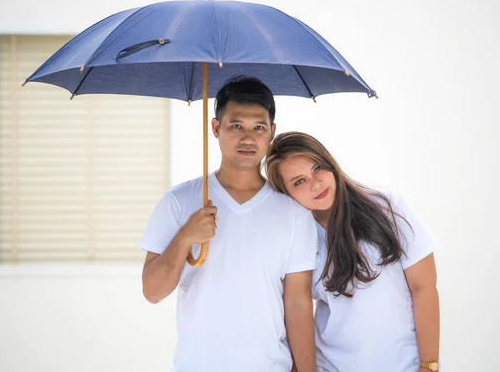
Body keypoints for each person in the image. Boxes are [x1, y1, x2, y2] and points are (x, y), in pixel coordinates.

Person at [139, 77, 318, 372]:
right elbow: (152, 292)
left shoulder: (294, 213)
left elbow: (298, 304)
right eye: (236, 126)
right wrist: (185, 237)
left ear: (271, 133)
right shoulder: (178, 202)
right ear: (215, 128)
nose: (248, 138)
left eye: (258, 127)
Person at [265, 132, 440, 372]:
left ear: (329, 162)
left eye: (317, 168)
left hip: (405, 365)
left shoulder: (386, 207)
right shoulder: (295, 238)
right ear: (285, 192)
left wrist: (429, 365)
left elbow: (424, 288)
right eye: (299, 181)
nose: (315, 184)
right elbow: (296, 313)